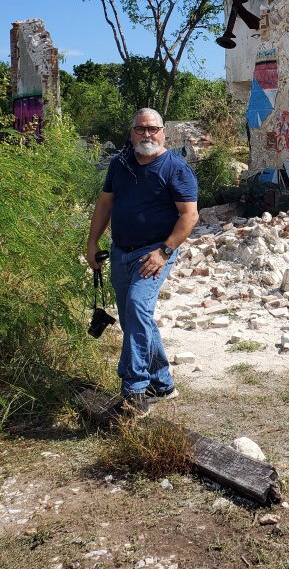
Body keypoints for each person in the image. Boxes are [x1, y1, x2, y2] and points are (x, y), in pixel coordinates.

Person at [86, 108, 199, 417]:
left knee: (137, 307)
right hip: (121, 251)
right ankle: (162, 383)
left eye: (153, 129)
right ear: (132, 132)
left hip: (153, 253)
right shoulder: (119, 165)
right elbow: (105, 203)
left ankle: (135, 391)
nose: (146, 134)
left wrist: (164, 251)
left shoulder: (176, 169)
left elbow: (190, 216)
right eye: (140, 129)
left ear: (163, 132)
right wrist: (92, 242)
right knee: (136, 319)